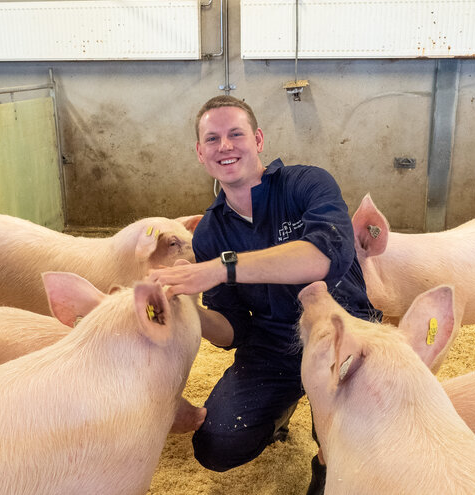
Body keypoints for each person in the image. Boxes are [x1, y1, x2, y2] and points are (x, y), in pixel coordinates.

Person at [148, 95, 380, 493]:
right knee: (216, 444)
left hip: (345, 334)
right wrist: (190, 308)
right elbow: (232, 330)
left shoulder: (306, 183)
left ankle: (325, 462)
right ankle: (283, 408)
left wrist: (221, 267)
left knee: (353, 441)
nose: (225, 146)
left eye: (235, 133)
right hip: (273, 347)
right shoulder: (210, 233)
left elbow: (326, 254)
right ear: (200, 152)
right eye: (213, 139)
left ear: (257, 139)